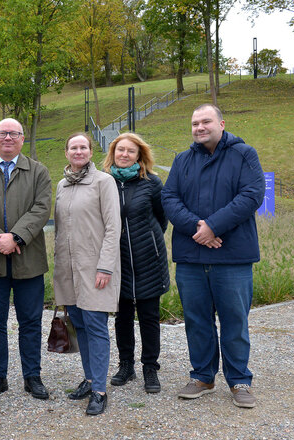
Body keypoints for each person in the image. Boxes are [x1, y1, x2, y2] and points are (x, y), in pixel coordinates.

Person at [162, 104, 265, 408]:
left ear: (222, 123)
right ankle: (203, 376)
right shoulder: (182, 160)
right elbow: (170, 198)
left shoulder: (244, 154)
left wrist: (214, 226)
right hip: (191, 256)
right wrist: (198, 227)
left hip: (232, 257)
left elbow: (251, 195)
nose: (199, 127)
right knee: (196, 320)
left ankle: (239, 380)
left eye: (205, 121)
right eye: (194, 123)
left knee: (234, 320)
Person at [0, 118, 52, 401]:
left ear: (22, 138)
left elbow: (42, 208)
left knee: (30, 321)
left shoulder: (38, 171)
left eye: (14, 133)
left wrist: (15, 237)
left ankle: (32, 376)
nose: (8, 137)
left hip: (28, 259)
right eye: (2, 133)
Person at [53, 132, 120, 415]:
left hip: (95, 269)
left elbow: (113, 227)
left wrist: (105, 266)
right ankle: (90, 378)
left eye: (83, 147)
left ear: (91, 152)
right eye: (73, 147)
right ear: (66, 153)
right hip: (68, 269)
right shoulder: (62, 185)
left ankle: (100, 391)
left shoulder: (104, 182)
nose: (78, 151)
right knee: (79, 325)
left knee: (96, 327)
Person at [103, 133, 169, 394]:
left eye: (131, 151)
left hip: (148, 260)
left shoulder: (152, 183)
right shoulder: (104, 182)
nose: (125, 155)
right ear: (113, 153)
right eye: (120, 150)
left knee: (150, 316)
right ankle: (126, 365)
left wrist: (148, 242)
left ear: (139, 155)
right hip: (117, 260)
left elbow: (161, 219)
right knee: (123, 316)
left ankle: (150, 368)